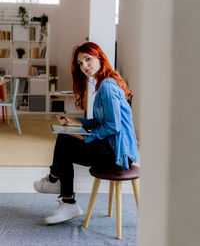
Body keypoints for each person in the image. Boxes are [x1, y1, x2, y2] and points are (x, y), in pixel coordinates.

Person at [34, 42, 138, 225]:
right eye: (80, 63)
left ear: (99, 57)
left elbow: (113, 127)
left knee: (65, 140)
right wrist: (76, 122)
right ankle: (60, 188)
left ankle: (58, 185)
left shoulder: (107, 86)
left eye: (88, 59)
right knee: (65, 135)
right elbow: (101, 122)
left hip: (117, 156)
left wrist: (85, 136)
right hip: (115, 151)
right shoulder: (105, 83)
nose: (84, 66)